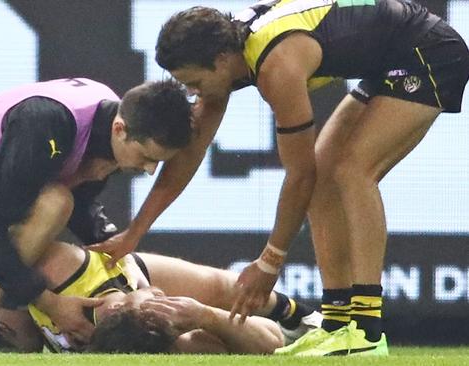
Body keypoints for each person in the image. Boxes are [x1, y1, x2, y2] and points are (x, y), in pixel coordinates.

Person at [89, 0, 469, 356]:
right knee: (326, 174)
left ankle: (367, 331)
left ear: (221, 62)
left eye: (194, 83)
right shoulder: (227, 53)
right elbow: (189, 155)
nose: (192, 93)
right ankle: (337, 324)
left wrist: (270, 263)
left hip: (428, 53)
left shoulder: (277, 67)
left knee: (352, 170)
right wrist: (136, 231)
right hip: (388, 61)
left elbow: (298, 176)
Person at [0, 78, 193, 352]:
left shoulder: (111, 116)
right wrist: (51, 304)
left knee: (21, 339)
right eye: (147, 157)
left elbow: (82, 207)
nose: (150, 170)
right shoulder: (46, 124)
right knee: (55, 202)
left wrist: (126, 265)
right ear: (120, 130)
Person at [0, 221, 322, 353]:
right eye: (155, 299)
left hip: (38, 300)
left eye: (152, 299)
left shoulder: (155, 324)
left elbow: (267, 340)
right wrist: (42, 297)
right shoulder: (65, 266)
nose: (160, 299)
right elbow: (0, 247)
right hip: (7, 273)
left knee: (19, 340)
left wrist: (207, 315)